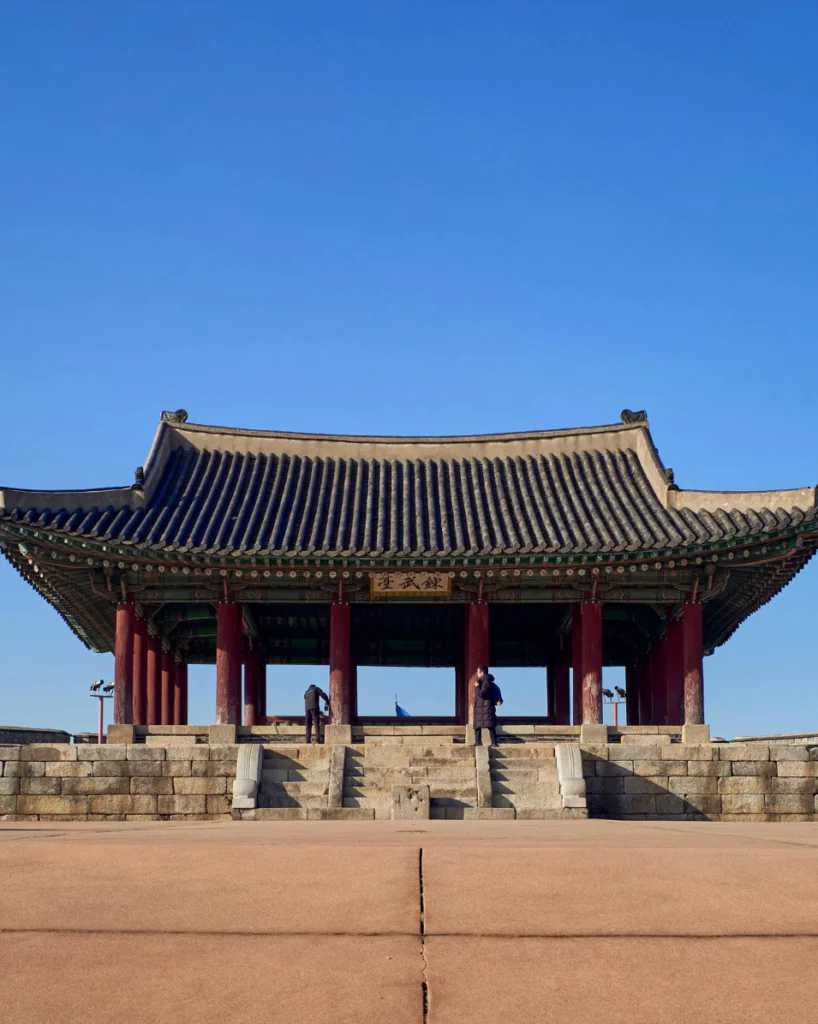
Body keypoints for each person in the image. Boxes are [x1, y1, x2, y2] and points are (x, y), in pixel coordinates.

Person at [472, 665, 502, 747]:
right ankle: (478, 742)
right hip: (480, 707)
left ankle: (494, 743)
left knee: (490, 725)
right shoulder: (482, 682)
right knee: (478, 725)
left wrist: (477, 687)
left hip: (486, 706)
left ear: (482, 672)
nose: (477, 674)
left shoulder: (486, 682)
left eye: (478, 672)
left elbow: (482, 694)